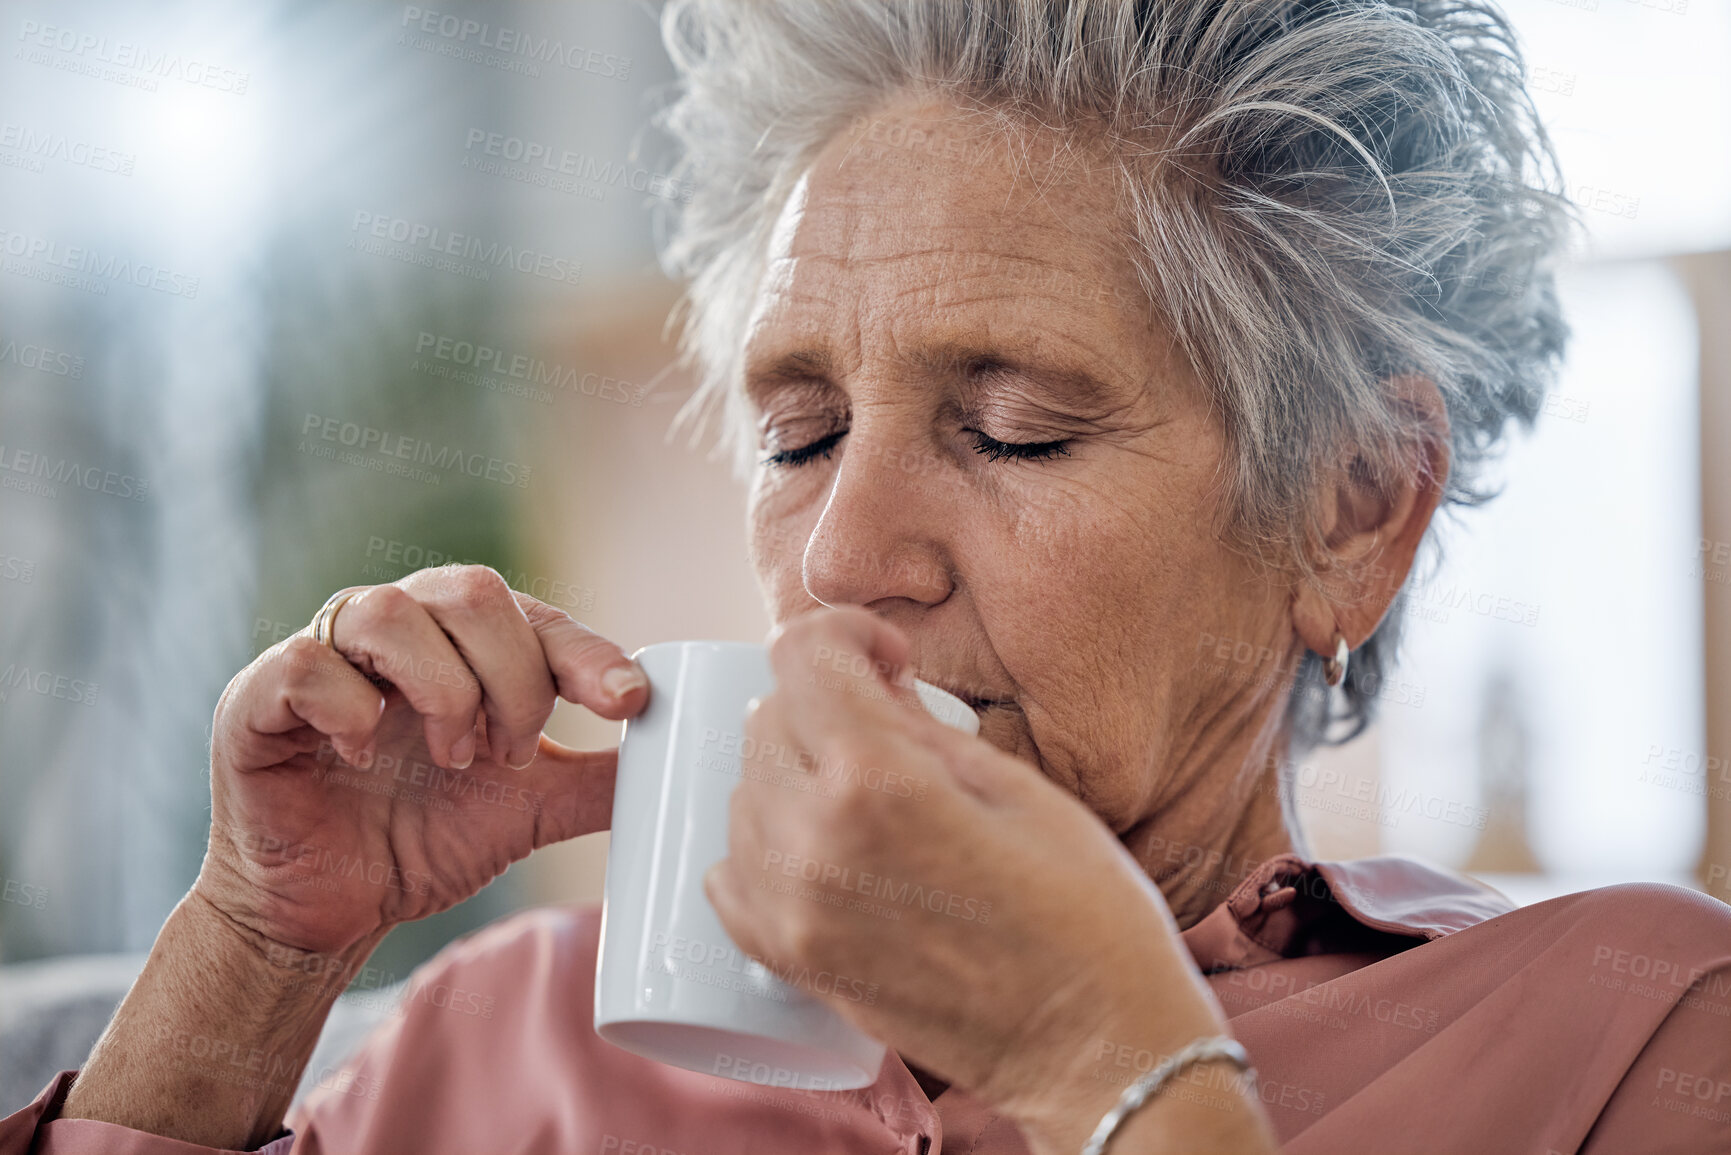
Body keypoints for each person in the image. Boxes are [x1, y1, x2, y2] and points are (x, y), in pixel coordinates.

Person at [6, 1, 1729, 1152]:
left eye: (1015, 429)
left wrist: (1109, 1066)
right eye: (802, 434)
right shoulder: (504, 1040)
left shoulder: (1630, 1037)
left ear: (1354, 508)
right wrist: (252, 952)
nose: (838, 560)